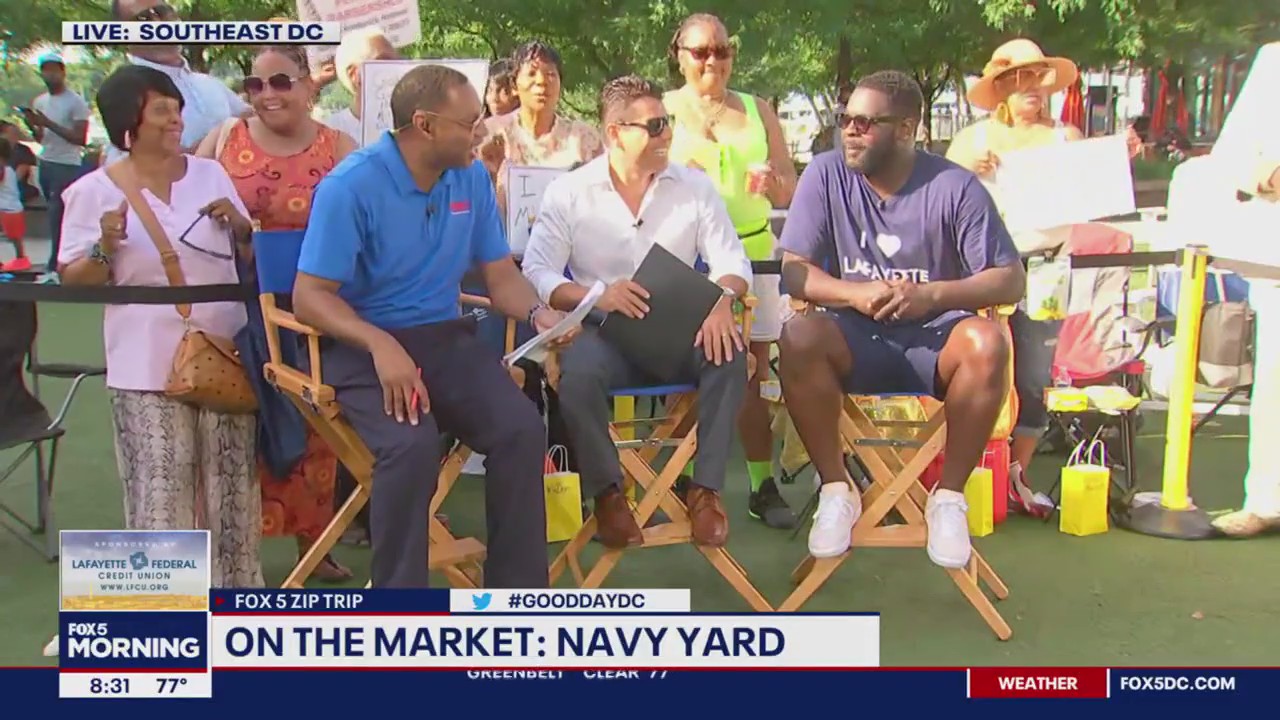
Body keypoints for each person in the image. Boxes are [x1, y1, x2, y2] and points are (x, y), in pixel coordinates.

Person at [293, 64, 576, 588]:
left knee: (520, 430)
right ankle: (398, 606)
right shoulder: (350, 187)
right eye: (469, 123)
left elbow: (500, 277)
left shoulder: (471, 177)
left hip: (444, 337)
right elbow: (308, 297)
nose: (482, 131)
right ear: (424, 125)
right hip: (359, 344)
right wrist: (379, 344)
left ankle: (517, 598)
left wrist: (540, 314)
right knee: (412, 446)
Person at [777, 70, 1024, 568]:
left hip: (936, 340)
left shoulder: (954, 185)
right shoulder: (825, 175)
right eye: (846, 119)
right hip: (854, 338)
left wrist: (932, 295)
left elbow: (1010, 279)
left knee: (987, 342)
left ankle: (948, 498)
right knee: (798, 334)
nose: (850, 131)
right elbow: (794, 272)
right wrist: (855, 293)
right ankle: (836, 490)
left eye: (866, 123)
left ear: (907, 129)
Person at [522, 75, 752, 549]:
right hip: (604, 331)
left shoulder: (695, 187)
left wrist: (722, 299)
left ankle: (705, 490)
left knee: (730, 352)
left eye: (667, 123)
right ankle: (608, 495)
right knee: (577, 373)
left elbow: (733, 262)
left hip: (680, 330)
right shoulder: (570, 191)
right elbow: (537, 269)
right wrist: (596, 295)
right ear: (615, 133)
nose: (667, 134)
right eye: (654, 126)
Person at [57, 65, 263, 587]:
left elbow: (248, 252)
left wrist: (241, 228)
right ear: (128, 123)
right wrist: (105, 246)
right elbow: (76, 280)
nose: (176, 120)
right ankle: (163, 611)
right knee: (160, 492)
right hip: (145, 365)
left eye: (177, 109)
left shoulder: (210, 174)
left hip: (225, 355)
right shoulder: (92, 191)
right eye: (162, 110)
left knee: (232, 493)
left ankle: (237, 597)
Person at [196, 45, 358, 581]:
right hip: (234, 309)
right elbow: (183, 205)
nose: (267, 94)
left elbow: (362, 226)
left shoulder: (341, 149)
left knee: (317, 431)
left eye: (281, 81)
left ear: (310, 84)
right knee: (238, 425)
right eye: (255, 84)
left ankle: (317, 545)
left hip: (315, 312)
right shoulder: (223, 140)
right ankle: (230, 551)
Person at [664, 12, 799, 529]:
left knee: (752, 374)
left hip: (753, 251)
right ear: (679, 56)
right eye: (701, 51)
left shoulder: (758, 109)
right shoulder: (662, 110)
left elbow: (789, 188)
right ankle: (679, 478)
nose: (713, 61)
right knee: (684, 372)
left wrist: (774, 184)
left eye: (722, 50)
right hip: (686, 257)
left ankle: (761, 484)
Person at [946, 39, 1083, 509]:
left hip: (1046, 266)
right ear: (1001, 86)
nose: (1032, 89)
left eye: (1038, 78)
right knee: (977, 367)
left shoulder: (1066, 138)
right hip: (981, 268)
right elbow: (937, 198)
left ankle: (1017, 475)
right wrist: (965, 170)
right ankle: (967, 471)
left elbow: (1092, 191)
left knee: (1034, 375)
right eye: (1021, 79)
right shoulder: (971, 140)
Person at [1198, 42, 1280, 537]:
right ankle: (1268, 500)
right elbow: (1232, 156)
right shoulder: (1274, 63)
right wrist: (1270, 174)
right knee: (1277, 378)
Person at [102, 0, 251, 165]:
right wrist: (220, 138)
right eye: (143, 19)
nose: (158, 24)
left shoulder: (209, 84)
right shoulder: (124, 93)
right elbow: (130, 165)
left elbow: (255, 120)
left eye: (162, 11)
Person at [477, 41, 604, 226]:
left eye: (551, 74)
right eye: (531, 73)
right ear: (514, 85)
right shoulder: (489, 134)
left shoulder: (584, 139)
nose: (542, 81)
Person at [23, 53, 92, 271]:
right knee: (52, 212)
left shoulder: (76, 102)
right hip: (46, 161)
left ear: (63, 72)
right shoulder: (40, 101)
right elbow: (41, 138)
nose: (50, 74)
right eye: (46, 70)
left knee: (59, 214)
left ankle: (57, 263)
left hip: (67, 165)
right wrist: (33, 125)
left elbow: (80, 139)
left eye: (54, 70)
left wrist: (48, 123)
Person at [323, 25, 400, 145]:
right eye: (385, 61)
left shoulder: (413, 125)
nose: (397, 69)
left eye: (398, 61)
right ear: (355, 74)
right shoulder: (330, 134)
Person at [0, 139, 28, 269]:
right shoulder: (9, 169)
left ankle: (21, 259)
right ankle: (21, 259)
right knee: (15, 238)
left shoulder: (2, 169)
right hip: (11, 208)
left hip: (7, 209)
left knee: (15, 237)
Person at [0, 121, 40, 209]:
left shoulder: (23, 151)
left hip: (16, 186)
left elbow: (17, 177)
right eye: (12, 133)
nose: (16, 136)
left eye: (16, 133)